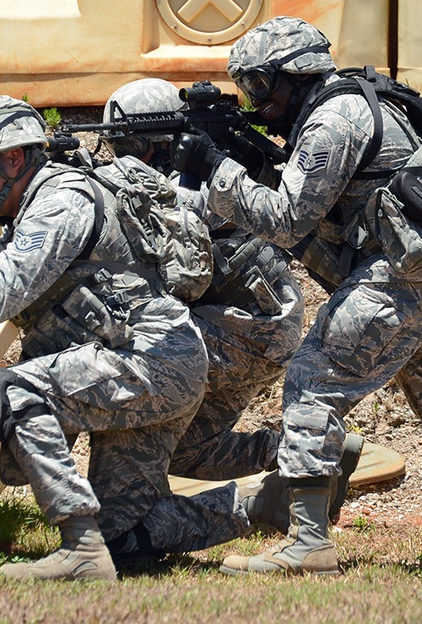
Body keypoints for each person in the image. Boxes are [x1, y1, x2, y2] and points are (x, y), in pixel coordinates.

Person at [171, 16, 422, 576]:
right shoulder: (346, 106)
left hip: (413, 267)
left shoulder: (332, 118)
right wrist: (250, 165)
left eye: (262, 87)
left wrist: (216, 169)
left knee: (314, 379)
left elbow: (288, 219)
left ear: (297, 75)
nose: (257, 102)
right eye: (248, 89)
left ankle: (309, 542)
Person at [0, 95, 216, 581]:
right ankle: (272, 502)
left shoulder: (59, 202)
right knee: (123, 536)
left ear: (14, 158)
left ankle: (79, 550)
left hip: (149, 360)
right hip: (159, 360)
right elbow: (11, 280)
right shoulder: (42, 203)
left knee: (13, 390)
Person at [93, 79, 362, 563]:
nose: (118, 158)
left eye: (125, 147)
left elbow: (169, 256)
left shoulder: (187, 189)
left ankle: (132, 517)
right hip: (253, 326)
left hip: (241, 330)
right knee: (186, 452)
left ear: (154, 145)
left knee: (135, 379)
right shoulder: (195, 176)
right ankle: (299, 452)